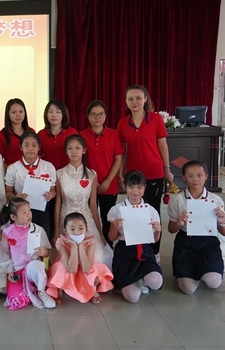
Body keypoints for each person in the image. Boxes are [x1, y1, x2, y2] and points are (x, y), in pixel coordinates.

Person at [117, 85, 173, 257]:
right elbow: (122, 151)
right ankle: (137, 249)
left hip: (154, 173)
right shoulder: (123, 123)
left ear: (145, 99)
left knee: (153, 212)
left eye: (138, 98)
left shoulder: (155, 119)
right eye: (130, 99)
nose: (134, 102)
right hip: (133, 176)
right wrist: (120, 173)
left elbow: (162, 145)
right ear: (126, 101)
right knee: (135, 212)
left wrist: (167, 169)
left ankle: (154, 252)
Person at [168, 160, 225, 294]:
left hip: (209, 242)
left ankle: (205, 271)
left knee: (213, 283)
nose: (195, 179)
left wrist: (222, 221)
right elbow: (171, 229)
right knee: (188, 289)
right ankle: (189, 273)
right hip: (185, 242)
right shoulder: (177, 200)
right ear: (184, 178)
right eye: (190, 176)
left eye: (199, 175)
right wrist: (179, 223)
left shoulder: (215, 200)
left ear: (206, 176)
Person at [55, 134, 112, 267]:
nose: (73, 151)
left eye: (77, 148)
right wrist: (56, 230)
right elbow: (58, 202)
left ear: (84, 150)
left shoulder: (91, 174)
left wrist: (100, 232)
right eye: (70, 148)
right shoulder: (59, 174)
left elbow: (93, 205)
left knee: (95, 255)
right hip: (66, 218)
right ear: (66, 151)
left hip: (86, 219)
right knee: (66, 257)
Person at [107, 171, 163, 303]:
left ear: (145, 187)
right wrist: (115, 226)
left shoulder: (150, 210)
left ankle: (142, 278)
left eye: (139, 187)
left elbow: (154, 240)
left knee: (156, 283)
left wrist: (158, 231)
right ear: (125, 187)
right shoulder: (117, 209)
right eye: (131, 187)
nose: (135, 191)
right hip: (125, 252)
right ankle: (135, 281)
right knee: (132, 298)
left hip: (144, 251)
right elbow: (111, 238)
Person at [0, 197, 56, 310]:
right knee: (16, 301)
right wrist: (9, 271)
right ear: (13, 217)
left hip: (32, 270)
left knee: (37, 265)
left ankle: (41, 291)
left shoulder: (38, 230)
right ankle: (30, 292)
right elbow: (4, 253)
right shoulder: (7, 231)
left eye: (29, 210)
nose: (29, 214)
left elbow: (47, 252)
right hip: (17, 271)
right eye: (24, 212)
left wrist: (44, 252)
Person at [80, 100, 123, 247]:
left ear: (105, 116)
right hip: (87, 184)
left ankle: (107, 250)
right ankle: (90, 250)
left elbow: (118, 159)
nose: (97, 117)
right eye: (93, 114)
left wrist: (108, 180)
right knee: (89, 219)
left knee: (107, 220)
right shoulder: (82, 136)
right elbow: (80, 160)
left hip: (108, 186)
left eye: (100, 114)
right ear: (88, 117)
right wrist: (92, 180)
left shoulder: (113, 134)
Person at [46, 212, 114, 304]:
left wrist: (81, 246)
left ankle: (91, 290)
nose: (77, 232)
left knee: (94, 273)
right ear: (65, 230)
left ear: (86, 229)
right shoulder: (60, 242)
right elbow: (72, 268)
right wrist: (73, 246)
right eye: (72, 229)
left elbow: (86, 268)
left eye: (81, 228)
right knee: (61, 269)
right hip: (68, 266)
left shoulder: (90, 241)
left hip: (84, 265)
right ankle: (59, 289)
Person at [4, 132, 56, 239]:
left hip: (42, 211)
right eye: (26, 145)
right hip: (21, 212)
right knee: (23, 241)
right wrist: (16, 197)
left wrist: (51, 195)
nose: (30, 149)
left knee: (42, 239)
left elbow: (54, 191)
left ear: (39, 147)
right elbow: (8, 193)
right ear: (21, 147)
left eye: (34, 145)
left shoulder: (48, 166)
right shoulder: (13, 168)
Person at [37, 99, 78, 171]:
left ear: (63, 114)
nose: (54, 115)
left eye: (58, 112)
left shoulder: (72, 132)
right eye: (50, 112)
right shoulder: (41, 134)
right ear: (46, 114)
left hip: (67, 174)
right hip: (46, 173)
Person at [0, 98, 34, 166]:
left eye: (21, 111)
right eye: (14, 112)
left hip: (30, 171)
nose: (18, 115)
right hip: (10, 171)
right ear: (8, 114)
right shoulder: (1, 135)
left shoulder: (31, 132)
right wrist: (9, 169)